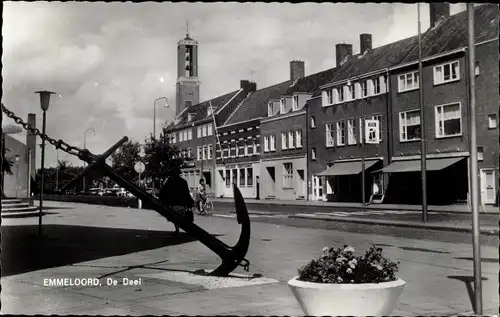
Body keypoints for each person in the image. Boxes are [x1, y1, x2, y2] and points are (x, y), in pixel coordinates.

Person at [159, 166, 195, 234]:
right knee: (182, 217)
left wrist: (163, 200)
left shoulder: (169, 182)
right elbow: (186, 193)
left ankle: (177, 230)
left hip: (173, 203)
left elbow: (163, 192)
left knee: (174, 217)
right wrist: (190, 202)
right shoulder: (184, 181)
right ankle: (182, 229)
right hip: (182, 203)